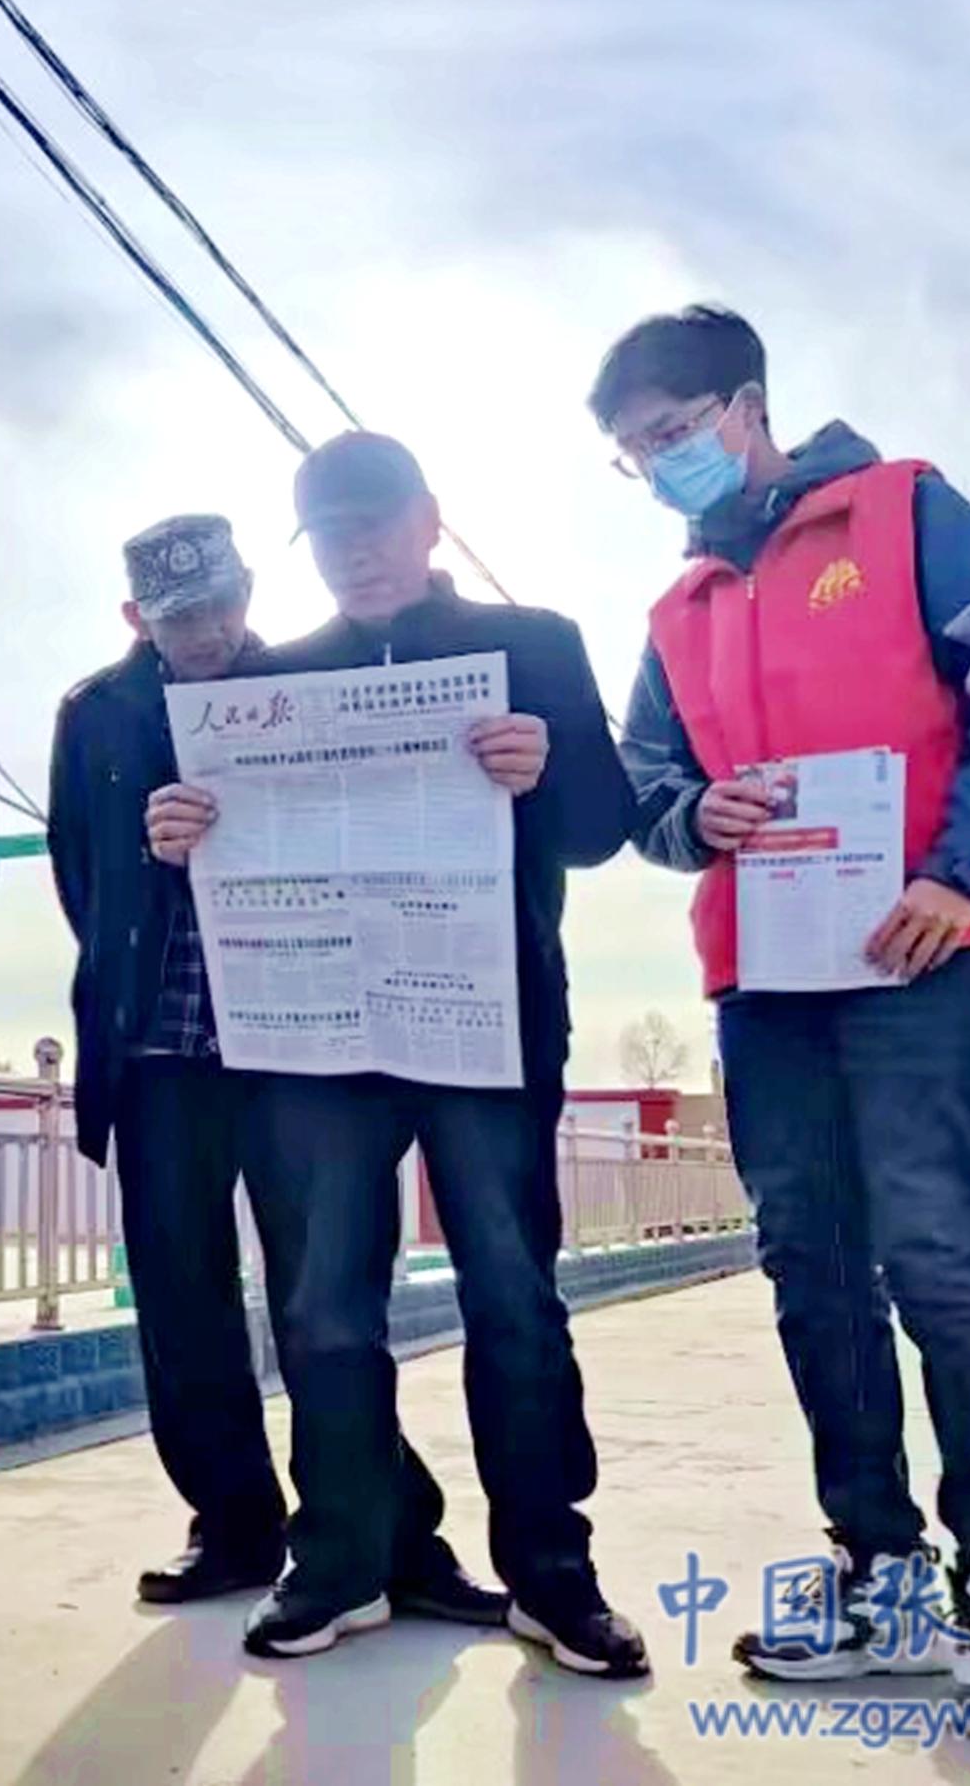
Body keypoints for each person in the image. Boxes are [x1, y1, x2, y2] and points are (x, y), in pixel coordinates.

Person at [590, 306, 970, 1707]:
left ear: (747, 406)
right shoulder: (677, 613)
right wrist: (695, 814)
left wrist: (956, 873)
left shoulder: (905, 513)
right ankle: (880, 1574)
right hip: (768, 981)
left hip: (919, 951)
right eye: (632, 455)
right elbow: (644, 787)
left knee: (942, 1261)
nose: (659, 467)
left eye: (671, 434)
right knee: (811, 1266)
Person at [147, 443, 649, 1676]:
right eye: (328, 535)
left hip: (487, 1022)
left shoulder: (532, 643)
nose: (355, 552)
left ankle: (552, 1573)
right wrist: (179, 827)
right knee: (322, 1303)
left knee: (513, 1295)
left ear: (429, 521)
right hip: (317, 1034)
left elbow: (602, 828)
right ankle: (339, 1561)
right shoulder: (270, 681)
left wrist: (542, 769)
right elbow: (217, 844)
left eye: (374, 525)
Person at [51, 515, 506, 1646]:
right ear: (135, 619)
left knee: (325, 1296)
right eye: (178, 617)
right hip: (160, 1047)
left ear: (251, 589)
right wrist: (154, 857)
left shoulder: (315, 685)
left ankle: (393, 1535)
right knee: (179, 1295)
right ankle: (233, 1524)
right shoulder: (95, 712)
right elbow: (81, 877)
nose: (206, 631)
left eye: (220, 604)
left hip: (303, 1042)